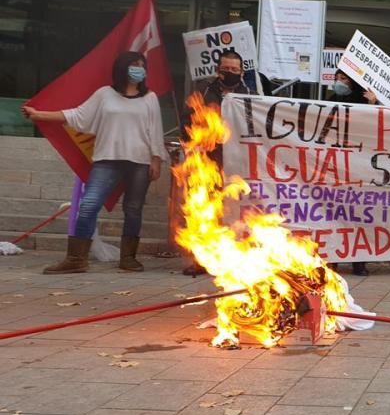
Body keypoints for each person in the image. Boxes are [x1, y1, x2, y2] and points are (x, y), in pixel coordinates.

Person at [22, 51, 168, 274]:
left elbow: (156, 131)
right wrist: (39, 115)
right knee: (88, 205)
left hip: (140, 161)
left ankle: (128, 258)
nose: (139, 69)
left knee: (133, 209)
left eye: (142, 65)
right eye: (134, 64)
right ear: (122, 68)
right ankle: (76, 259)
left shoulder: (149, 98)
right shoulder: (104, 95)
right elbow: (77, 115)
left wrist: (157, 159)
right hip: (107, 160)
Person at [181, 50, 252, 276]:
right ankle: (201, 259)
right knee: (204, 208)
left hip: (239, 162)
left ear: (242, 72)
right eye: (225, 69)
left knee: (237, 211)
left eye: (234, 69)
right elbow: (186, 122)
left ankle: (239, 257)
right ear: (217, 70)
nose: (229, 73)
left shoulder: (251, 94)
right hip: (207, 161)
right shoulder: (203, 92)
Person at [327, 70, 377, 276]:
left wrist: (373, 105)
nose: (340, 82)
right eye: (337, 78)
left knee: (359, 215)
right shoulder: (329, 101)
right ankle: (334, 258)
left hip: (359, 166)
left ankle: (359, 261)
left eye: (344, 79)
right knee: (333, 215)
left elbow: (379, 125)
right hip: (335, 166)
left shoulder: (365, 101)